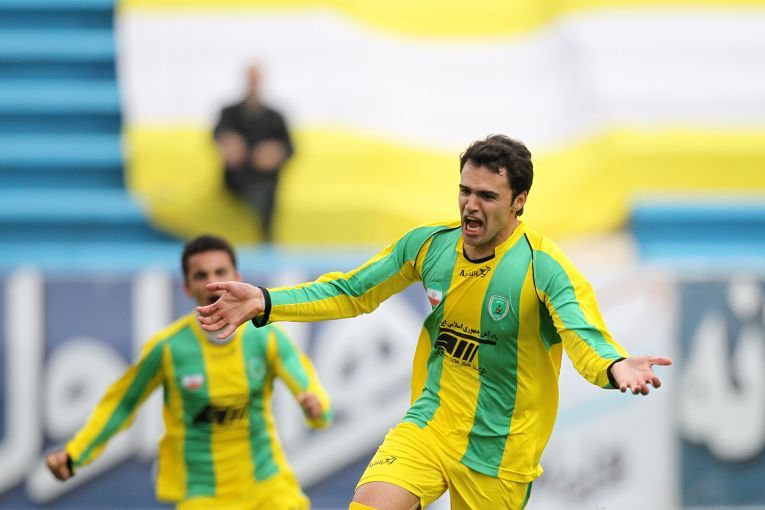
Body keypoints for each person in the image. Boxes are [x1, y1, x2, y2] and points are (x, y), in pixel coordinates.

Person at [195, 135, 672, 510]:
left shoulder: (543, 268)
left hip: (500, 452)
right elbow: (351, 291)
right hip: (431, 423)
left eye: (487, 195)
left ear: (519, 201)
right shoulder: (430, 246)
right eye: (465, 191)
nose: (470, 205)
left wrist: (614, 366)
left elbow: (583, 335)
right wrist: (266, 300)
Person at [46, 235, 332, 510]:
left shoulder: (266, 338)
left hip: (268, 488)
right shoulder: (168, 348)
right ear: (186, 287)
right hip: (202, 495)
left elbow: (311, 392)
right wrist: (75, 456)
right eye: (201, 275)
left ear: (238, 278)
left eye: (221, 272)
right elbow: (120, 405)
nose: (212, 283)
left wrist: (315, 407)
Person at [214, 65, 294, 243]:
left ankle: (266, 238)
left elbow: (290, 148)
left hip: (265, 178)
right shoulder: (229, 113)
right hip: (237, 177)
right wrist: (227, 142)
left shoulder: (275, 116)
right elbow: (217, 135)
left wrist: (275, 152)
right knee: (260, 192)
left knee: (267, 191)